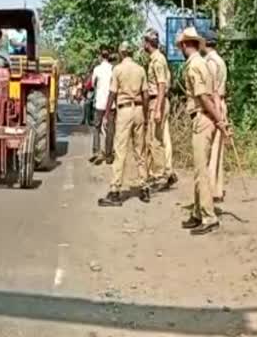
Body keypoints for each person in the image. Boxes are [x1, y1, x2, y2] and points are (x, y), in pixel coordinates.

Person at [177, 27, 230, 235]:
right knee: (200, 169)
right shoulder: (203, 63)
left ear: (184, 45)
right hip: (206, 117)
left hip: (202, 118)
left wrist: (219, 120)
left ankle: (209, 217)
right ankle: (199, 212)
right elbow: (214, 92)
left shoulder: (195, 66)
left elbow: (205, 97)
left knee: (201, 171)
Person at [98, 41, 150, 207]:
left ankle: (115, 190)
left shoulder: (118, 69)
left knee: (120, 150)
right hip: (139, 110)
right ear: (132, 53)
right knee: (140, 150)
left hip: (125, 110)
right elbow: (146, 94)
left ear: (121, 53)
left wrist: (106, 113)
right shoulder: (141, 69)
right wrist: (146, 114)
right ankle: (144, 187)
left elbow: (112, 93)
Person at [142, 29, 177, 189]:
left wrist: (157, 109)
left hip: (158, 101)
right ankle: (167, 171)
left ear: (149, 43)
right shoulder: (158, 58)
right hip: (160, 101)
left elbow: (161, 85)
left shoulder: (157, 60)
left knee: (155, 140)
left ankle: (159, 175)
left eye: (144, 41)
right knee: (163, 137)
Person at [204, 29, 228, 202]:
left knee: (211, 150)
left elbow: (212, 90)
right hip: (221, 103)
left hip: (214, 105)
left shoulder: (210, 62)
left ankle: (211, 189)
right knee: (218, 150)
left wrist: (216, 112)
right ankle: (217, 189)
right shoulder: (220, 60)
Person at [90, 49, 114, 164]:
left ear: (100, 57)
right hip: (111, 104)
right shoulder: (113, 69)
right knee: (110, 130)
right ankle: (109, 156)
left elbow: (92, 83)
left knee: (96, 127)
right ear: (108, 57)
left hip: (99, 103)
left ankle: (96, 151)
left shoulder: (97, 69)